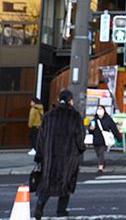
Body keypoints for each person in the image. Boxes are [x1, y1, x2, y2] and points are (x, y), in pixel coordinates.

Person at [33, 90, 85, 220]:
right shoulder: (74, 116)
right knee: (66, 182)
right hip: (69, 157)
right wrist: (81, 149)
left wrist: (39, 155)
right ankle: (61, 210)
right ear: (70, 100)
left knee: (47, 183)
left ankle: (40, 205)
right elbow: (80, 137)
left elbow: (41, 138)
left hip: (50, 157)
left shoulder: (49, 116)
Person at [88, 105, 121, 173]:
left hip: (104, 139)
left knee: (101, 152)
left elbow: (113, 128)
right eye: (98, 109)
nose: (99, 110)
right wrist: (91, 129)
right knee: (98, 152)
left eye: (101, 109)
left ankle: (100, 166)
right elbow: (90, 130)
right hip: (96, 139)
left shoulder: (108, 119)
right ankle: (102, 162)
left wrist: (118, 138)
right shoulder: (94, 120)